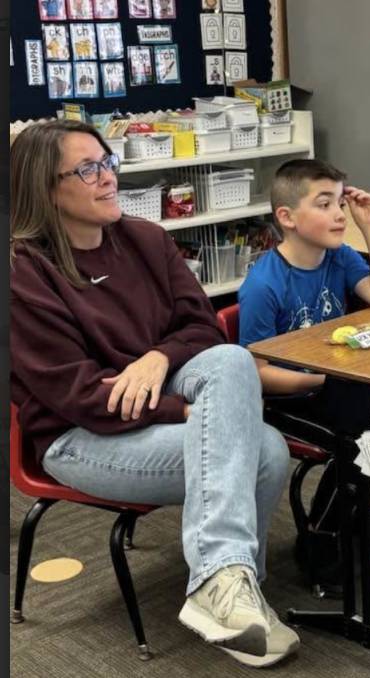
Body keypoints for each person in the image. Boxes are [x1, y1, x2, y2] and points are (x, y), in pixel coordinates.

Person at [10, 119, 299, 667]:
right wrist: (187, 410)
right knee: (263, 450)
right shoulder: (23, 273)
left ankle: (226, 588)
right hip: (78, 436)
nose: (108, 178)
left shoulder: (144, 238)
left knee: (231, 359)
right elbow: (82, 398)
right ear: (44, 188)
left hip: (157, 396)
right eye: (87, 169)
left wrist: (157, 357)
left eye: (108, 162)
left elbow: (204, 331)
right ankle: (236, 593)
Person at [237, 159, 370, 592]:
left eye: (340, 202)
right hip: (290, 397)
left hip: (339, 384)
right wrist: (325, 381)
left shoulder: (338, 256)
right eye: (324, 204)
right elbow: (256, 374)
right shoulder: (263, 285)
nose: (339, 214)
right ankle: (321, 536)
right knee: (362, 436)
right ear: (286, 218)